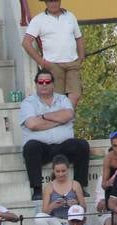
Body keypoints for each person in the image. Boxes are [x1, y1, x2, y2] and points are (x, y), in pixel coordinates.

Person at [19, 70, 88, 202]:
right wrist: (59, 120)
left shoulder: (63, 99)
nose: (44, 84)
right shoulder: (28, 102)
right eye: (41, 82)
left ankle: (80, 187)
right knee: (30, 147)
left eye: (47, 81)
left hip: (63, 146)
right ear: (36, 84)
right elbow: (32, 124)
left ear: (53, 84)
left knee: (82, 145)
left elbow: (68, 115)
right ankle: (37, 190)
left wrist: (44, 117)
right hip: (41, 148)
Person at [21, 0, 83, 106]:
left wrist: (81, 57)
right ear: (45, 2)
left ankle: (66, 115)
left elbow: (79, 37)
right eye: (50, 1)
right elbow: (26, 43)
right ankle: (63, 116)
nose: (53, 3)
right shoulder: (38, 20)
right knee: (57, 98)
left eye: (56, 0)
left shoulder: (70, 16)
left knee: (75, 95)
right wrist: (41, 62)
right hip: (53, 65)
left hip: (72, 63)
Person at [32, 155, 84, 225]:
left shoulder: (75, 184)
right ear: (53, 171)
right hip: (57, 221)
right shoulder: (49, 187)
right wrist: (53, 205)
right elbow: (44, 211)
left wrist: (76, 205)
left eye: (63, 171)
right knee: (39, 217)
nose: (61, 174)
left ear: (68, 170)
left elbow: (84, 208)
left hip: (72, 221)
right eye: (58, 171)